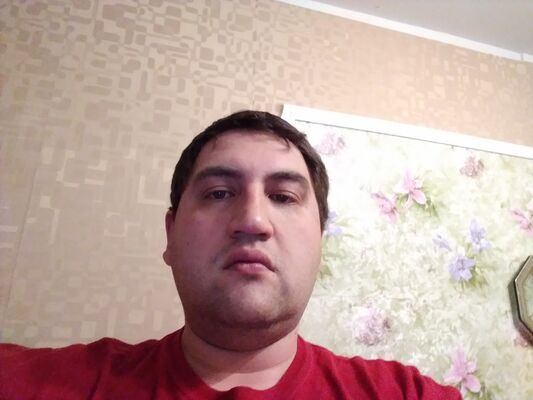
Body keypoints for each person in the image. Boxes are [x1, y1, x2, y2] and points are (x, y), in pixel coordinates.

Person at [0, 111, 461, 399]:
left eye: (283, 197)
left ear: (320, 240)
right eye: (219, 193)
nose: (253, 220)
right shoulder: (37, 383)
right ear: (170, 234)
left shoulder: (408, 395)